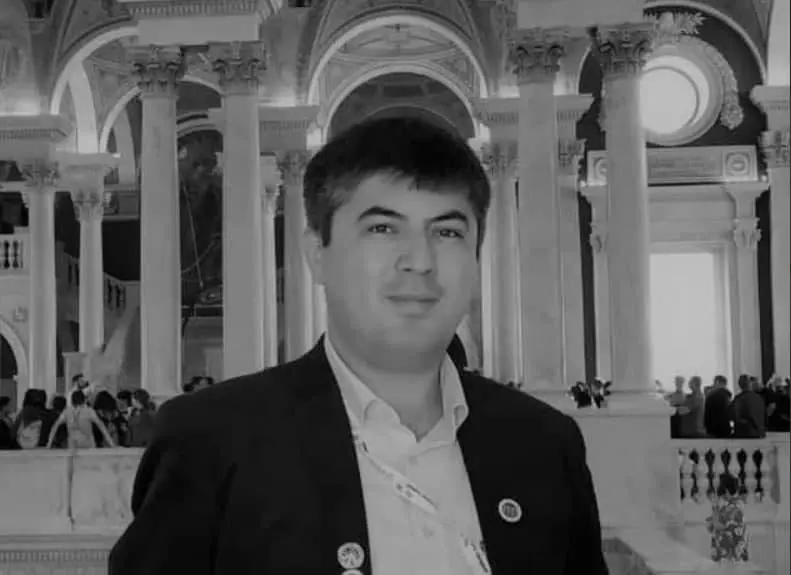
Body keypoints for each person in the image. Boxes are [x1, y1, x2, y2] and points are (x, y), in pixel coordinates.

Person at [108, 117, 607, 575]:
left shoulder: (544, 445)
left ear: (476, 260)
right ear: (317, 254)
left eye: (448, 231)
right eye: (382, 228)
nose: (419, 260)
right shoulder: (212, 443)